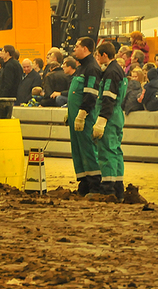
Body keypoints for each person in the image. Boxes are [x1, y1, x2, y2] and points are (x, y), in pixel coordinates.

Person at [67, 37, 102, 196]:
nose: (74, 49)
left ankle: (95, 185)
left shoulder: (92, 68)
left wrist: (82, 113)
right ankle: (84, 184)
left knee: (88, 149)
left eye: (77, 46)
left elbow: (91, 94)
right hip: (76, 118)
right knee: (78, 150)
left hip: (85, 118)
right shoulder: (81, 67)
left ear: (86, 48)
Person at [93, 42, 127, 200]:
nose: (97, 58)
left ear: (104, 55)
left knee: (107, 152)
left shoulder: (111, 73)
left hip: (110, 116)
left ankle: (108, 189)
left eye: (98, 55)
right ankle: (118, 187)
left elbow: (108, 97)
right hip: (117, 115)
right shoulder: (118, 70)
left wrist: (102, 120)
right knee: (116, 151)